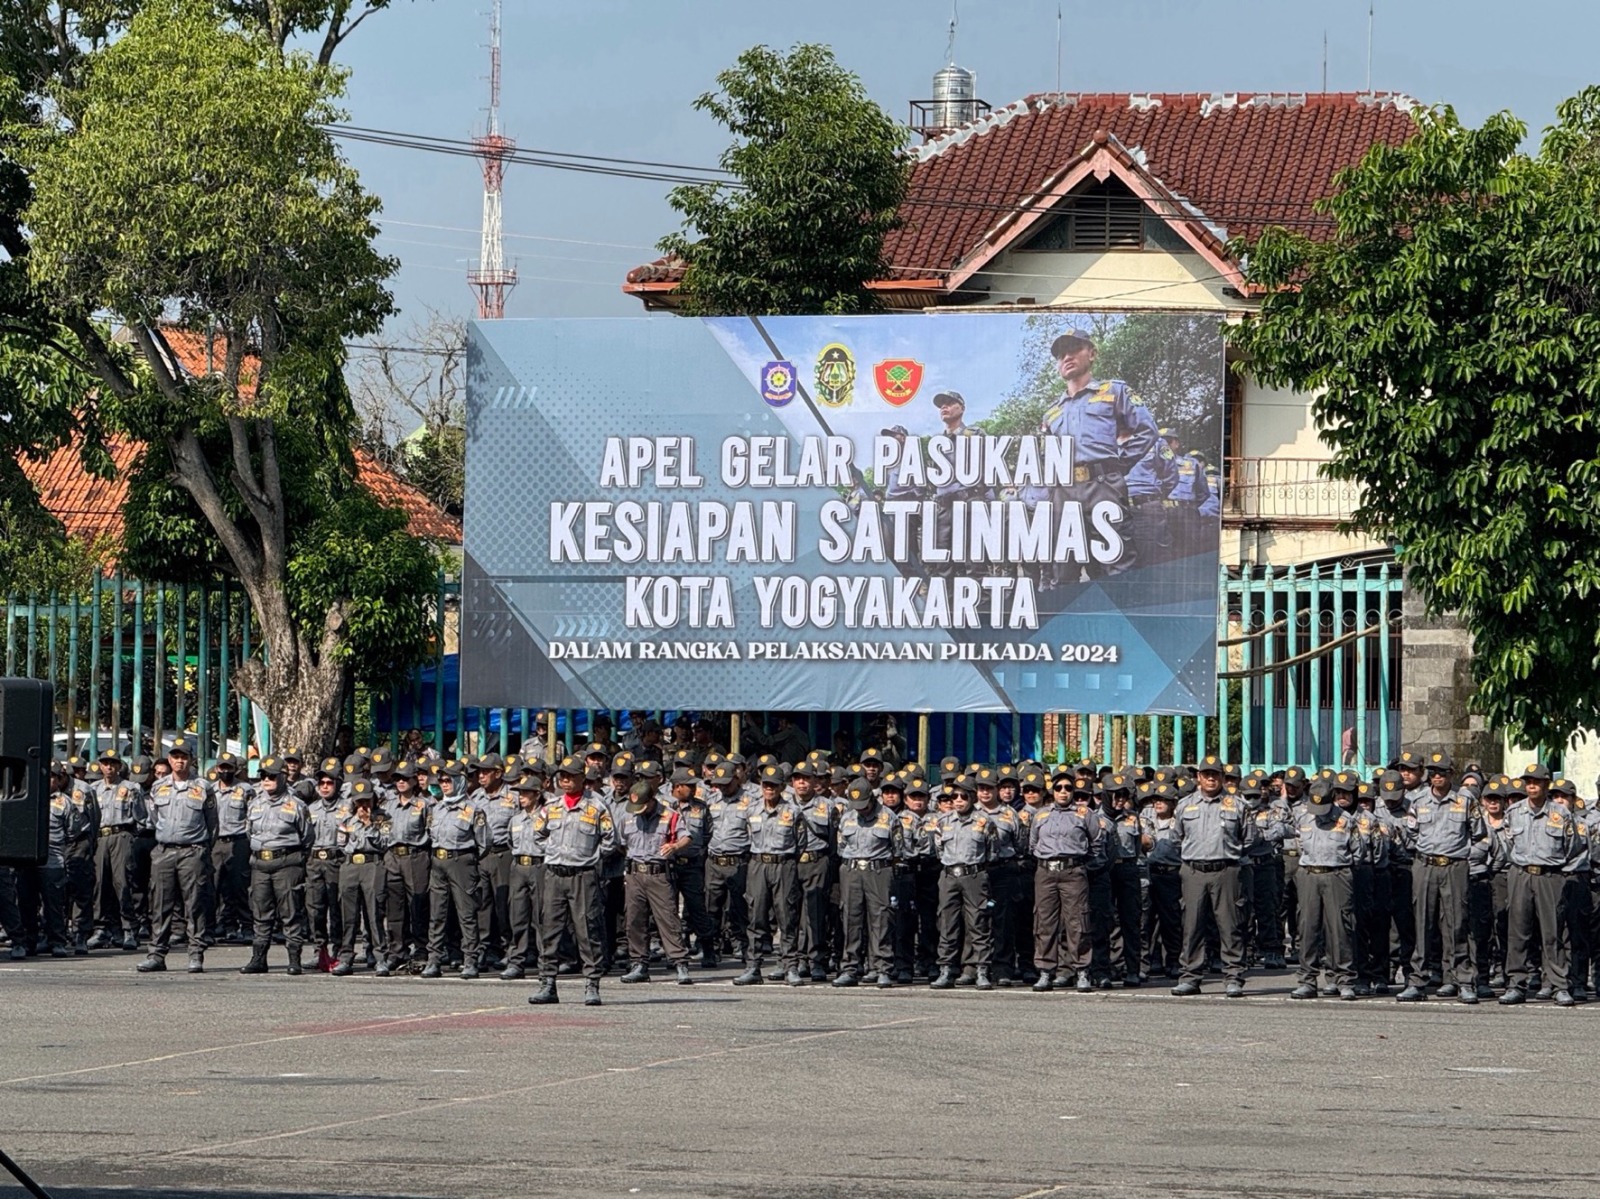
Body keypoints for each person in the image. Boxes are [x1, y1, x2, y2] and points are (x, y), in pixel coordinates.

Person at [1037, 327, 1159, 577]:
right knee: (1063, 570)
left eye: (1074, 349)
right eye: (1061, 355)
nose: (1067, 358)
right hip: (1064, 491)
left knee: (1117, 563)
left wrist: (1118, 465)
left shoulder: (1113, 391)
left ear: (1091, 353)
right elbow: (1045, 459)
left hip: (1103, 486)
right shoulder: (1051, 413)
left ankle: (1122, 615)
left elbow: (1147, 430)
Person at [528, 757, 618, 1007]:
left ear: (582, 778)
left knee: (587, 929)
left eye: (570, 776)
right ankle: (547, 983)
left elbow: (610, 840)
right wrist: (554, 851)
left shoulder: (596, 807)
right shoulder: (552, 806)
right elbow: (537, 834)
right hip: (554, 874)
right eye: (561, 776)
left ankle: (591, 983)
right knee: (549, 929)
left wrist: (590, 857)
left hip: (582, 875)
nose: (564, 780)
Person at [1396, 752, 1482, 1003]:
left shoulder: (1465, 800)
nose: (1437, 777)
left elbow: (1479, 835)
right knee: (1422, 923)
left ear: (1451, 775)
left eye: (1442, 773)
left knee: (1457, 924)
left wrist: (1463, 856)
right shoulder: (1419, 800)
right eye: (1433, 773)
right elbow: (1410, 835)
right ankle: (1418, 980)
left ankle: (1462, 980)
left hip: (1454, 867)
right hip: (1425, 865)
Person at [1171, 754, 1255, 996]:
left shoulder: (1237, 805)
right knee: (1192, 926)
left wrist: (1229, 853)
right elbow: (1177, 839)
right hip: (1194, 871)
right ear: (1198, 777)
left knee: (1231, 926)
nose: (1210, 778)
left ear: (1222, 778)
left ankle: (1233, 977)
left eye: (1215, 774)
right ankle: (1190, 977)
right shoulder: (1185, 805)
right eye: (1206, 774)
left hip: (1226, 871)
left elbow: (1248, 838)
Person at [1499, 762, 1579, 1006]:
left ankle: (1558, 985)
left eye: (1536, 782)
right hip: (1521, 874)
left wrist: (1554, 867)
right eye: (1528, 782)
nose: (1531, 786)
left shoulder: (1561, 813)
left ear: (1546, 785)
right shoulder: (1514, 812)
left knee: (1552, 932)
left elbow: (1572, 846)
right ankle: (1516, 984)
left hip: (1549, 876)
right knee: (1518, 932)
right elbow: (1508, 844)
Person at [137, 737, 217, 974]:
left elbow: (213, 825)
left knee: (194, 904)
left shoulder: (203, 787)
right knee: (160, 904)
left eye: (184, 757)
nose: (179, 761)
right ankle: (156, 955)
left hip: (192, 851)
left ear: (191, 760)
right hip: (164, 851)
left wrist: (201, 849)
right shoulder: (158, 786)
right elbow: (153, 818)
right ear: (169, 760)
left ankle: (195, 954)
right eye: (175, 757)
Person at [736, 762, 810, 986]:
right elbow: (746, 836)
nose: (769, 789)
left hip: (784, 864)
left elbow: (801, 843)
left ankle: (790, 967)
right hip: (758, 864)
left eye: (774, 785)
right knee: (756, 916)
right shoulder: (751, 810)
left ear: (782, 787)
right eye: (766, 785)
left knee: (787, 916)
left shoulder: (793, 812)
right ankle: (754, 966)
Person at [1288, 773, 1360, 1001]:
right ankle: (1307, 979)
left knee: (1340, 929)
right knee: (1307, 928)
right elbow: (1300, 846)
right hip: (1309, 874)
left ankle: (1344, 979)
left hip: (1337, 874)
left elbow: (1358, 852)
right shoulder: (1303, 818)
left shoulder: (1346, 820)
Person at [239, 757, 312, 976]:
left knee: (290, 912)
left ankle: (294, 958)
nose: (266, 780)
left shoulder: (296, 804)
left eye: (271, 776)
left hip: (287, 863)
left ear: (282, 777)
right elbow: (249, 832)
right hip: (260, 863)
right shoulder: (255, 803)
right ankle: (259, 958)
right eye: (263, 776)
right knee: (260, 912)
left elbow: (307, 837)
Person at [1028, 769, 1100, 991]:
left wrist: (1079, 867)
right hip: (1046, 873)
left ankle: (1082, 971)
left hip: (1073, 873)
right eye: (1058, 787)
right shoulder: (1040, 815)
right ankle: (1045, 971)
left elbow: (1096, 845)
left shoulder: (1084, 814)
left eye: (1068, 788)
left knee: (1078, 922)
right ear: (1052, 790)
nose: (1063, 792)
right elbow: (1032, 845)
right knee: (1044, 923)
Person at [617, 781, 694, 986]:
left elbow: (686, 836)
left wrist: (675, 846)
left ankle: (680, 963)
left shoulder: (669, 815)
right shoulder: (628, 815)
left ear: (652, 800)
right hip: (635, 874)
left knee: (668, 919)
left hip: (659, 874)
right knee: (634, 920)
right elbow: (619, 843)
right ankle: (639, 963)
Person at [927, 775, 996, 990]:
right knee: (947, 923)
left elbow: (992, 852)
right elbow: (939, 850)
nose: (957, 800)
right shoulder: (943, 821)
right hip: (949, 875)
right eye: (953, 796)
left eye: (963, 795)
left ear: (972, 797)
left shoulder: (984, 821)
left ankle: (981, 969)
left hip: (974, 875)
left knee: (978, 922)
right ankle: (946, 969)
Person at [421, 764, 488, 980]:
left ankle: (470, 959)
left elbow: (484, 842)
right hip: (438, 861)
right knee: (437, 913)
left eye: (449, 780)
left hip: (461, 861)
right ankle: (434, 959)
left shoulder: (473, 809)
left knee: (466, 913)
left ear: (460, 781)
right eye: (442, 781)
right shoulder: (436, 808)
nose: (444, 785)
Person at [832, 777, 901, 988]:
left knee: (881, 920)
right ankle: (850, 968)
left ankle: (882, 968)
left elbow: (897, 849)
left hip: (878, 870)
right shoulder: (847, 817)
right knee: (851, 919)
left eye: (864, 805)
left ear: (872, 799)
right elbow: (841, 846)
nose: (861, 810)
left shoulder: (888, 817)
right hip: (852, 871)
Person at [88, 749, 145, 952]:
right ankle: (101, 928)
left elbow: (141, 816)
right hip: (101, 837)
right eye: (105, 763)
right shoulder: (93, 789)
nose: (109, 767)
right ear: (100, 766)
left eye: (113, 763)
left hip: (122, 834)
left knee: (123, 882)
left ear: (119, 766)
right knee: (100, 884)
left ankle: (129, 928)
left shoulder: (131, 787)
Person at [331, 779, 389, 976]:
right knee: (349, 915)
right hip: (350, 865)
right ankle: (346, 956)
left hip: (372, 864)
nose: (363, 806)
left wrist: (369, 824)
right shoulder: (346, 820)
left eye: (367, 801)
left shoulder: (382, 818)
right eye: (359, 802)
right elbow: (341, 843)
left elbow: (384, 842)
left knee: (374, 913)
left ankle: (380, 956)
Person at [381, 760, 432, 970]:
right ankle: (397, 950)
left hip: (415, 856)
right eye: (397, 779)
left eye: (405, 778)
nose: (401, 782)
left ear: (414, 780)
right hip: (392, 856)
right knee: (395, 907)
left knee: (418, 904)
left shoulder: (424, 805)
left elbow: (430, 833)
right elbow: (382, 832)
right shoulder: (387, 804)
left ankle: (421, 949)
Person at [503, 774, 545, 980]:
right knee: (517, 916)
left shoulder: (545, 816)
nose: (522, 797)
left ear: (537, 794)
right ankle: (516, 961)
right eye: (520, 793)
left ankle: (545, 963)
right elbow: (511, 842)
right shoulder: (516, 819)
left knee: (541, 918)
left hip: (539, 865)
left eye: (526, 793)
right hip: (519, 866)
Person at [304, 759, 346, 966]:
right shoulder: (311, 808)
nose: (325, 787)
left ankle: (338, 948)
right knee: (315, 908)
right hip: (315, 861)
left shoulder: (347, 808)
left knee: (337, 909)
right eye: (322, 783)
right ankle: (319, 949)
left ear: (338, 784)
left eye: (329, 783)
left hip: (336, 860)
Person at [210, 752, 254, 945]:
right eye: (222, 767)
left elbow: (252, 817)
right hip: (216, 843)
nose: (226, 771)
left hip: (238, 841)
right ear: (217, 769)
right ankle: (221, 925)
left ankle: (246, 926)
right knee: (214, 886)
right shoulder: (210, 790)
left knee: (239, 886)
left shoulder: (245, 790)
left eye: (229, 767)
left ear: (236, 769)